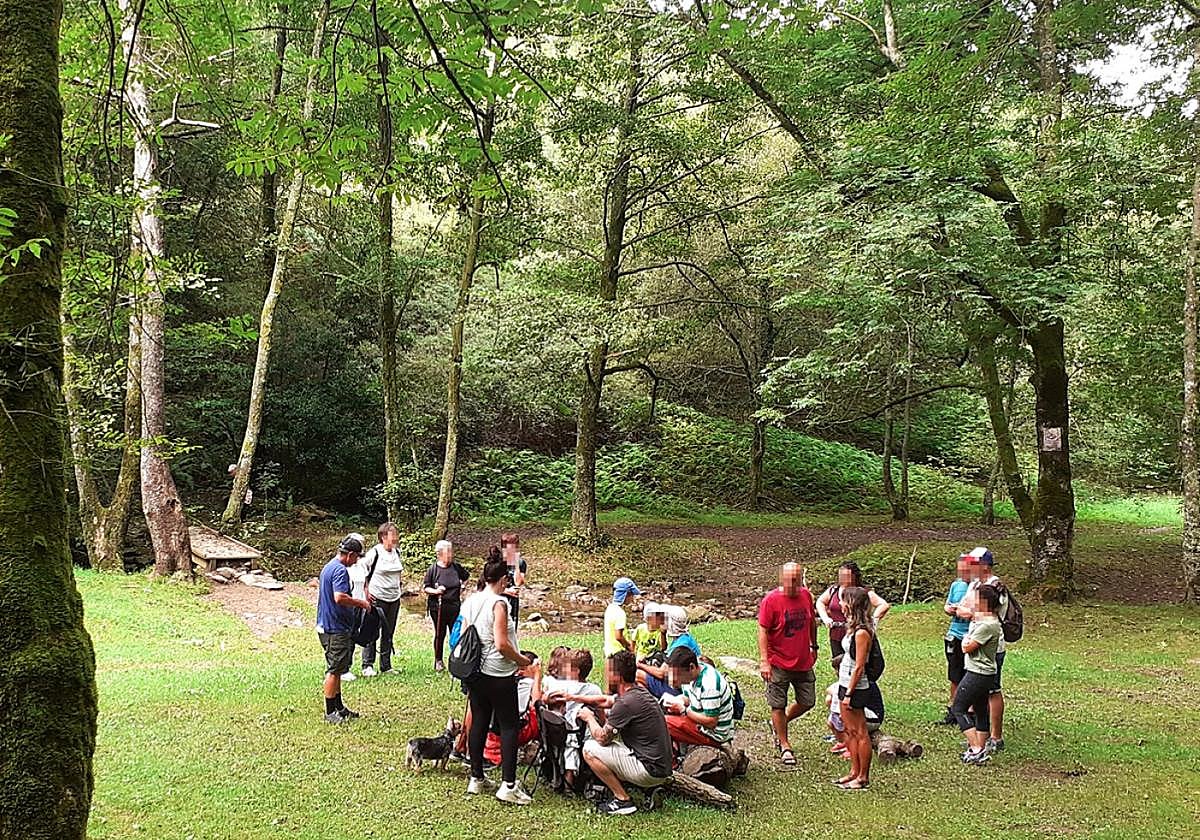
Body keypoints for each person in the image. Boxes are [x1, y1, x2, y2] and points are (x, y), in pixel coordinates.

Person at [459, 549, 535, 805]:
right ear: (502, 579)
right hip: (499, 673)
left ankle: (477, 777)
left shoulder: (471, 599)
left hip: (476, 672)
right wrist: (523, 661)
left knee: (479, 720)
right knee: (509, 725)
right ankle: (508, 785)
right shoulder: (499, 603)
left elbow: (467, 633)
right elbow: (502, 644)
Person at [580, 651, 673, 816]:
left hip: (650, 771)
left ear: (618, 677)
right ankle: (647, 789)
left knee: (589, 749)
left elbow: (602, 738)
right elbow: (606, 701)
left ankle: (622, 799)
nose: (605, 676)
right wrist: (571, 697)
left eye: (608, 672)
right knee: (617, 743)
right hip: (661, 767)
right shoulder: (638, 692)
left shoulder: (626, 703)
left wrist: (589, 718)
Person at [757, 562, 818, 765]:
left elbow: (811, 622)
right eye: (790, 579)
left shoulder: (806, 596)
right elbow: (763, 631)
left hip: (802, 660)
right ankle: (785, 745)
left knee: (808, 701)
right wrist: (764, 661)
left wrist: (814, 646)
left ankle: (780, 724)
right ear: (782, 579)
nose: (794, 583)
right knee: (778, 704)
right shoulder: (771, 601)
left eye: (797, 579)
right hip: (778, 662)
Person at [958, 548, 1009, 751]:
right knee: (979, 697)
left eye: (974, 563)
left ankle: (995, 737)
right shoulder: (975, 584)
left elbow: (990, 615)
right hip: (975, 640)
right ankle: (982, 738)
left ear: (985, 566)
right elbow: (967, 608)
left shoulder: (996, 586)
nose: (969, 567)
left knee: (992, 690)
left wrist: (970, 613)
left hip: (991, 646)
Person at [316, 535, 371, 723]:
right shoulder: (340, 570)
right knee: (334, 670)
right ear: (350, 555)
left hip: (328, 624)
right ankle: (330, 712)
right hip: (335, 627)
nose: (356, 561)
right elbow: (339, 597)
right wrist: (360, 603)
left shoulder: (329, 566)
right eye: (356, 557)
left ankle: (339, 707)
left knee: (339, 668)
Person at [953, 583, 1003, 765]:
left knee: (958, 708)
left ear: (983, 602)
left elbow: (967, 647)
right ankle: (980, 746)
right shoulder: (984, 620)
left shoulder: (988, 625)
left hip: (978, 673)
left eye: (975, 598)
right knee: (981, 710)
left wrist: (966, 638)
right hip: (983, 672)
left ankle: (976, 748)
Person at [835, 586, 879, 790]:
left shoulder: (862, 632)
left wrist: (849, 694)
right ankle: (854, 770)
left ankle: (863, 776)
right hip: (844, 683)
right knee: (849, 730)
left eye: (844, 601)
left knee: (860, 731)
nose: (841, 604)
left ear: (852, 605)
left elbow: (860, 666)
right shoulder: (851, 627)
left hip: (856, 688)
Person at [543, 648, 607, 787]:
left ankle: (566, 778)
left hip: (554, 732)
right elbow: (601, 717)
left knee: (572, 735)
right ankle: (573, 779)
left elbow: (544, 699)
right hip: (577, 734)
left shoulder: (559, 686)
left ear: (575, 671)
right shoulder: (593, 689)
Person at [816, 561, 890, 672]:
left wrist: (873, 619)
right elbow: (820, 602)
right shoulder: (833, 590)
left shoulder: (862, 592)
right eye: (841, 575)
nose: (843, 578)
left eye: (846, 576)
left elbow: (883, 605)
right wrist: (825, 618)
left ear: (854, 577)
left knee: (857, 665)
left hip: (856, 636)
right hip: (836, 635)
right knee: (839, 665)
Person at [662, 646, 734, 747]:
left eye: (678, 675)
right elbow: (689, 699)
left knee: (664, 723)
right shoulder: (692, 676)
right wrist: (678, 700)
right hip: (700, 720)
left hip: (713, 734)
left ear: (691, 667)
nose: (676, 679)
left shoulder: (709, 685)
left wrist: (684, 710)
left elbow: (711, 722)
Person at [360, 522, 403, 676]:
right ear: (383, 537)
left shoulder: (397, 553)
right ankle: (367, 665)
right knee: (372, 630)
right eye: (393, 535)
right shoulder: (375, 553)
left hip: (394, 598)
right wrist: (365, 589)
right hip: (377, 597)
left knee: (389, 631)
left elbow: (398, 573)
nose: (396, 538)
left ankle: (386, 665)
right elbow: (362, 569)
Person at [936, 554, 974, 724]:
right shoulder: (956, 585)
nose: (962, 573)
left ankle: (971, 711)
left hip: (972, 636)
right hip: (954, 633)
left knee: (970, 675)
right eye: (960, 570)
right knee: (954, 674)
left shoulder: (978, 587)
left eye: (965, 570)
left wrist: (963, 610)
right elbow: (947, 604)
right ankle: (953, 710)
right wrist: (949, 609)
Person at [423, 539, 469, 671]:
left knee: (456, 633)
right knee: (440, 633)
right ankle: (438, 660)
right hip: (438, 607)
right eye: (447, 551)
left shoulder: (456, 567)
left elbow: (466, 577)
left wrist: (462, 586)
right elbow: (426, 588)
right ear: (439, 554)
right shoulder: (433, 569)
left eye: (451, 551)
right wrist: (436, 591)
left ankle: (455, 659)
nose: (450, 554)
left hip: (454, 605)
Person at [604, 577, 641, 658]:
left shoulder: (610, 608)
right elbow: (618, 636)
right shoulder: (620, 613)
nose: (632, 598)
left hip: (609, 651)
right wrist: (629, 646)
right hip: (619, 653)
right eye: (632, 595)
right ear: (627, 594)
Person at [500, 532, 527, 623]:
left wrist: (516, 563)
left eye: (514, 546)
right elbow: (487, 585)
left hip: (513, 602)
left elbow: (518, 583)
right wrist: (507, 591)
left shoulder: (520, 562)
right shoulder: (497, 561)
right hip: (498, 600)